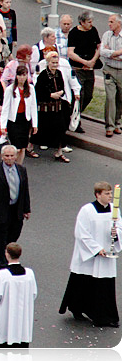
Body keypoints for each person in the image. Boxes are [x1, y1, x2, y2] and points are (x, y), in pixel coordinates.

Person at [59, 181, 120, 328]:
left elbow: (119, 226)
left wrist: (116, 233)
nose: (110, 196)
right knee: (83, 282)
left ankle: (105, 316)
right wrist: (96, 249)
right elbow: (81, 233)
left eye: (111, 193)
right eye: (107, 194)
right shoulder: (87, 210)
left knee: (104, 286)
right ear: (98, 195)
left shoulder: (114, 209)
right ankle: (77, 308)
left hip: (106, 255)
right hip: (89, 254)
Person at [0, 145, 31, 268]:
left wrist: (26, 209)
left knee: (14, 233)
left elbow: (25, 191)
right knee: (0, 235)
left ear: (16, 156)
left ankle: (7, 251)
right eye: (6, 156)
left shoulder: (21, 170)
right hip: (0, 209)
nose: (9, 158)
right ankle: (2, 260)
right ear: (2, 156)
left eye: (11, 156)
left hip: (16, 209)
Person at [0, 243, 38, 347]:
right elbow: (33, 294)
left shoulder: (2, 275)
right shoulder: (29, 274)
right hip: (22, 319)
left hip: (4, 317)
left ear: (7, 254)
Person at [34, 51, 71, 162]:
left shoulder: (59, 73)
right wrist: (50, 95)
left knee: (60, 128)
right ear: (48, 63)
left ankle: (59, 152)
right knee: (41, 129)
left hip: (57, 107)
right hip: (45, 108)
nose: (55, 65)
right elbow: (38, 91)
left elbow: (63, 87)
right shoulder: (43, 75)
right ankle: (30, 147)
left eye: (56, 62)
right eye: (53, 63)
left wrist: (60, 93)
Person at [68, 11, 100, 134]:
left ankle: (75, 114)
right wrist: (84, 62)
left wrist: (92, 61)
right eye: (89, 22)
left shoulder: (93, 30)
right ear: (82, 22)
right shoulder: (74, 33)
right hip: (78, 69)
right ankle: (76, 121)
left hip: (90, 68)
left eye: (92, 22)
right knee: (79, 95)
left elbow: (99, 46)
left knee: (88, 95)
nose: (91, 24)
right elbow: (71, 53)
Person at [0, 65, 37, 165]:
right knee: (16, 147)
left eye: (24, 75)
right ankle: (10, 165)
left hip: (25, 120)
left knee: (23, 147)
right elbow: (5, 108)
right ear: (16, 76)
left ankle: (19, 166)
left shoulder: (31, 89)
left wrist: (35, 124)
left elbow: (33, 106)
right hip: (13, 121)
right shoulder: (10, 89)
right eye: (20, 75)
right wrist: (3, 126)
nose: (22, 78)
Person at [100, 14, 122, 137]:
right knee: (110, 97)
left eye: (112, 22)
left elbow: (107, 53)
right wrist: (118, 53)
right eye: (109, 21)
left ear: (119, 23)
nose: (109, 24)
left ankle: (118, 123)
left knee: (120, 98)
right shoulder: (106, 35)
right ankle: (109, 126)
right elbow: (103, 51)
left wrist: (111, 53)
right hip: (109, 70)